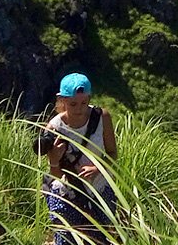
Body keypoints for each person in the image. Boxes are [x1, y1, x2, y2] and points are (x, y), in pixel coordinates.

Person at [42, 73, 119, 245]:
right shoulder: (54, 128)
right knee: (66, 240)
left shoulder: (102, 118)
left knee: (101, 238)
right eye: (73, 104)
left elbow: (112, 153)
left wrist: (97, 168)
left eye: (84, 102)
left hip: (100, 189)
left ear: (90, 98)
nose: (79, 109)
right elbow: (54, 174)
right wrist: (54, 159)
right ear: (62, 100)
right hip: (67, 193)